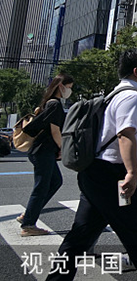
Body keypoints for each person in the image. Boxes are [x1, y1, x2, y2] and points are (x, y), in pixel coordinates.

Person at [46, 50, 137, 281]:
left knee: (82, 235)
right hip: (112, 174)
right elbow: (125, 135)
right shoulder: (132, 97)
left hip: (98, 172)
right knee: (133, 230)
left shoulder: (120, 92)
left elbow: (126, 134)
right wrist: (132, 173)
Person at [20, 73, 74, 236]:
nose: (70, 91)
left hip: (43, 151)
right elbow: (55, 130)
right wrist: (63, 149)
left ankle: (28, 214)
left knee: (55, 181)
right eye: (69, 88)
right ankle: (28, 224)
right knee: (41, 187)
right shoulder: (55, 104)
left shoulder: (49, 103)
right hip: (42, 151)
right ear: (61, 87)